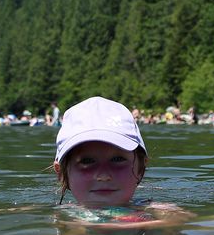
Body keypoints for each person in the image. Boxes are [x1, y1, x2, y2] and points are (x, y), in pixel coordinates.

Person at [53, 96, 188, 226]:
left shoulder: (156, 209)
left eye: (117, 159)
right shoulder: (57, 214)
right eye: (87, 161)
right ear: (61, 173)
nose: (103, 176)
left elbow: (183, 221)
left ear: (141, 168)